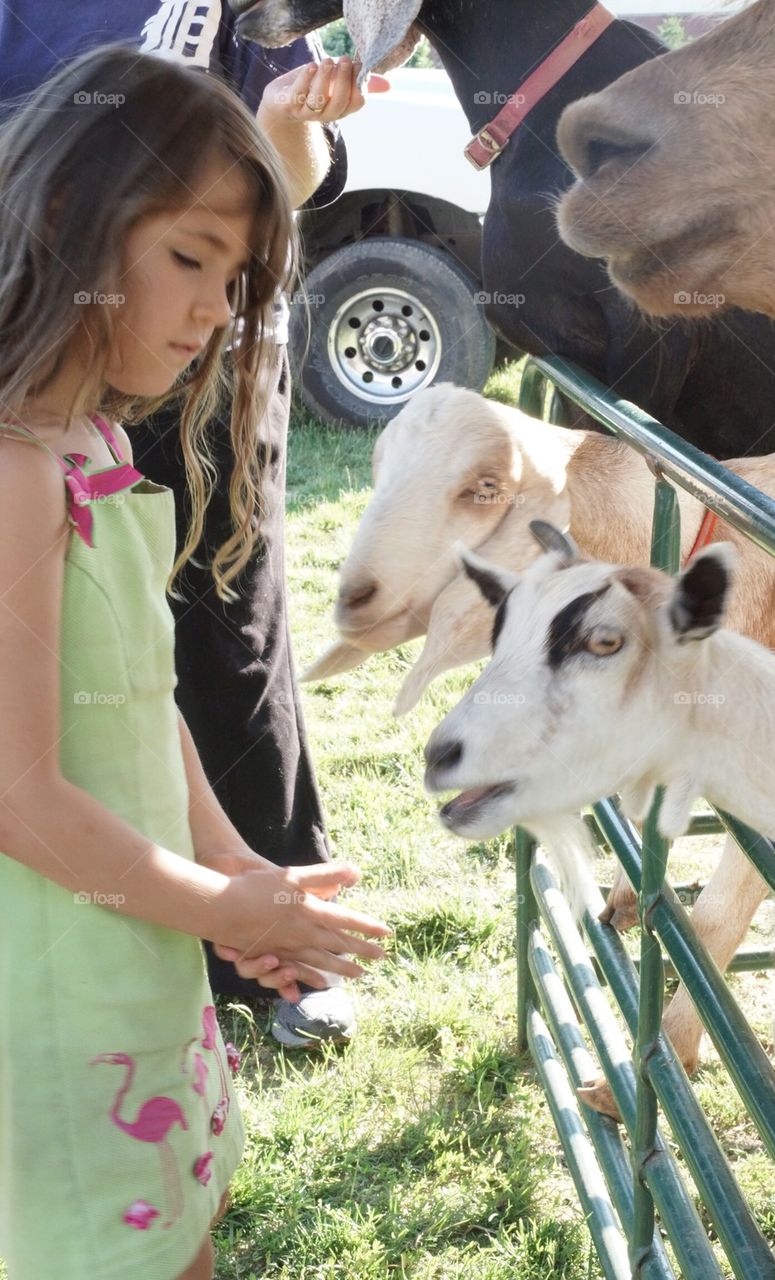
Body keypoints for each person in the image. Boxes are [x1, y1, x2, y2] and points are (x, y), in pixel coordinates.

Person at [0, 45, 390, 1280]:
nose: (218, 311)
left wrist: (229, 869)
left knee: (180, 1225)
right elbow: (18, 792)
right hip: (50, 987)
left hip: (136, 941)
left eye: (234, 278)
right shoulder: (13, 473)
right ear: (69, 217)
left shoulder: (94, 439)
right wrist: (219, 904)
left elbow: (136, 697)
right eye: (190, 257)